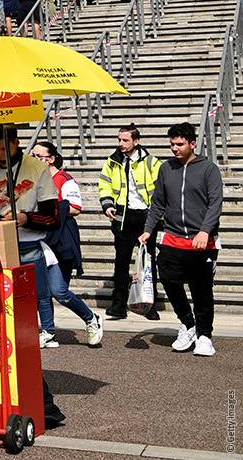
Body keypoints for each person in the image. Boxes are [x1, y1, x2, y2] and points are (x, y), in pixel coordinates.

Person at [0, 124, 60, 349]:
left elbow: (53, 217)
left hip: (28, 242)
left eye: (2, 149)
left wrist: (27, 218)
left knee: (39, 292)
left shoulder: (36, 168)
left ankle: (48, 331)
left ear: (15, 142)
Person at [140, 122, 223, 357]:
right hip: (173, 238)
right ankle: (188, 324)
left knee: (202, 290)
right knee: (168, 280)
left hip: (202, 241)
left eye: (179, 144)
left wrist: (205, 230)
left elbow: (215, 202)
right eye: (172, 144)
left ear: (192, 143)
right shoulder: (166, 168)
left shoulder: (209, 169)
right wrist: (148, 229)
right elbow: (158, 203)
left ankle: (204, 335)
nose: (174, 148)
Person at [33, 142, 104, 348]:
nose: (35, 160)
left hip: (61, 238)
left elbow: (75, 208)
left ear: (51, 158)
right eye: (33, 156)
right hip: (40, 237)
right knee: (42, 290)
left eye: (39, 156)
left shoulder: (64, 179)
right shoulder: (34, 179)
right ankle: (48, 332)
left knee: (59, 290)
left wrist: (49, 208)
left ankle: (91, 318)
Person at [97, 125, 162, 320]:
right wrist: (107, 204)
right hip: (122, 216)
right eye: (119, 140)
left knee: (148, 262)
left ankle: (150, 305)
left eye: (125, 140)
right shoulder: (112, 161)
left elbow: (161, 188)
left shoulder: (151, 161)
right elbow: (104, 184)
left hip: (146, 216)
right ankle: (118, 305)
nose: (121, 144)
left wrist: (157, 215)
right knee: (121, 262)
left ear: (136, 141)